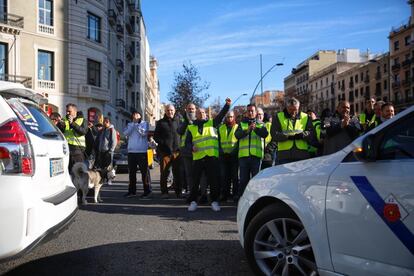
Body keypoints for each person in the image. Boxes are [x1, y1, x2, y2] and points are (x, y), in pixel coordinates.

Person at [186, 98, 231, 212]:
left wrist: (227, 105)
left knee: (213, 181)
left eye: (203, 112)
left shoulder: (212, 123)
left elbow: (221, 115)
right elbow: (187, 143)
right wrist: (191, 147)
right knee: (195, 181)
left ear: (205, 114)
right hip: (198, 157)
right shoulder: (191, 127)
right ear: (195, 115)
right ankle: (193, 201)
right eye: (198, 113)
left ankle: (214, 201)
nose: (201, 114)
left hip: (211, 157)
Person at [235, 104, 268, 198]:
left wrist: (256, 129)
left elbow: (265, 134)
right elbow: (237, 135)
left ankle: (255, 199)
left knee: (256, 180)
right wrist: (247, 130)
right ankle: (242, 199)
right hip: (243, 157)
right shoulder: (241, 124)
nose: (250, 113)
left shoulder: (261, 124)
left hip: (256, 157)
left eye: (252, 111)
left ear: (256, 112)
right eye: (248, 111)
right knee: (243, 180)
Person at [271, 98, 314, 164]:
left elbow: (311, 133)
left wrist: (303, 135)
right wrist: (287, 137)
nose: (293, 112)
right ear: (286, 107)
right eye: (290, 110)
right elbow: (274, 134)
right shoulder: (278, 116)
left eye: (295, 110)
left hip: (301, 154)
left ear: (299, 107)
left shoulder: (306, 117)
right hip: (284, 155)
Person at [154, 104, 181, 199]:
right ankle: (164, 192)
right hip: (165, 152)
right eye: (168, 110)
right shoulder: (161, 123)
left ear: (174, 110)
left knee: (177, 173)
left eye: (171, 110)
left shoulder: (178, 121)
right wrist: (163, 143)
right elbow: (155, 136)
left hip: (177, 152)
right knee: (164, 173)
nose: (170, 112)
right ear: (165, 111)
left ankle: (178, 192)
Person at [123, 111, 152, 198]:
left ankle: (147, 190)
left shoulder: (145, 123)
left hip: (142, 151)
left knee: (144, 172)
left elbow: (143, 133)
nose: (136, 116)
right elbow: (125, 133)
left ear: (140, 116)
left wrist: (137, 125)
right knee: (131, 173)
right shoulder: (130, 124)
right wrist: (133, 125)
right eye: (134, 115)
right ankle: (132, 191)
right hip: (131, 152)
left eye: (138, 115)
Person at [57, 103, 88, 172]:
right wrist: (60, 125)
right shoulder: (64, 119)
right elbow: (60, 132)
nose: (67, 113)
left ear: (75, 111)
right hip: (66, 149)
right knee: (68, 172)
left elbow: (83, 132)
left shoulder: (83, 120)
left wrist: (72, 124)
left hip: (77, 150)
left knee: (78, 172)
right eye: (66, 111)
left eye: (69, 111)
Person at [218, 111, 239, 202]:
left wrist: (233, 152)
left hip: (234, 156)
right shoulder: (221, 128)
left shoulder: (238, 127)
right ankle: (224, 194)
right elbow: (218, 141)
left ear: (234, 117)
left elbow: (239, 142)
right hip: (223, 156)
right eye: (228, 117)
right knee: (224, 176)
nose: (229, 119)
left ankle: (235, 194)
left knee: (235, 177)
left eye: (231, 117)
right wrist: (222, 152)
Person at [177, 103, 196, 195]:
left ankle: (197, 190)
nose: (191, 110)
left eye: (192, 109)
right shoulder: (182, 120)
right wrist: (186, 121)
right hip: (185, 151)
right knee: (188, 173)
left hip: (197, 150)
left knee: (197, 173)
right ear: (186, 110)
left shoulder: (198, 119)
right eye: (189, 109)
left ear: (195, 110)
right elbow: (179, 131)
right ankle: (191, 191)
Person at [95, 117, 117, 183]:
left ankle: (109, 179)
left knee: (109, 167)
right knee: (102, 166)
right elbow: (98, 140)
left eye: (105, 122)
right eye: (103, 122)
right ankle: (103, 178)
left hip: (108, 151)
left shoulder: (112, 130)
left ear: (108, 122)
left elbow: (114, 141)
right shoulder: (102, 130)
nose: (104, 123)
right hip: (101, 151)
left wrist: (111, 150)